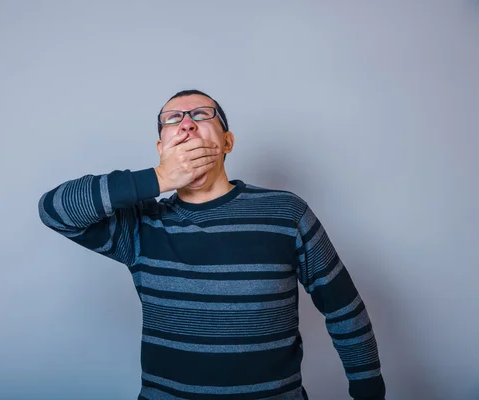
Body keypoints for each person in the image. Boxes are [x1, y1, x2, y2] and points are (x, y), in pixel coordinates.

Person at [38, 89, 386, 400]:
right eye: (172, 119)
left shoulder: (286, 212)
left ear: (227, 141)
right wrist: (159, 178)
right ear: (162, 148)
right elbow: (55, 210)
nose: (186, 124)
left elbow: (344, 310)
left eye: (201, 114)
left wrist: (369, 392)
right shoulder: (141, 225)